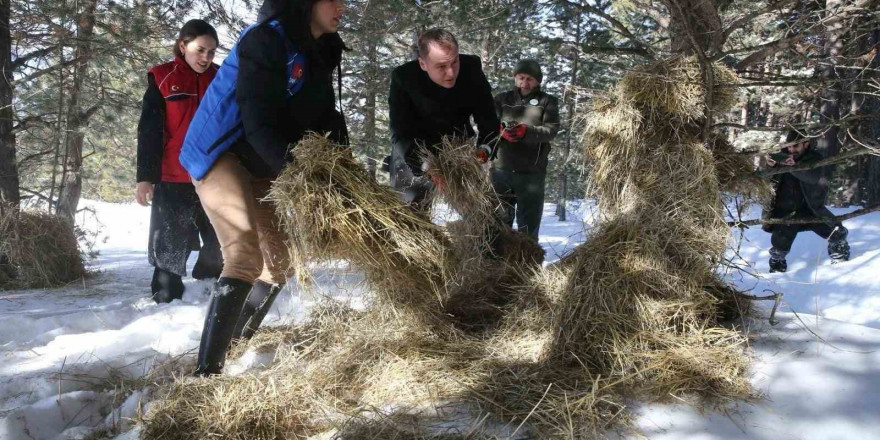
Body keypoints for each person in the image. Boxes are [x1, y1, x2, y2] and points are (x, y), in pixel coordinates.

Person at [181, 0, 348, 376]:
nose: (343, 6)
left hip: (262, 160)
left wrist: (344, 173)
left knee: (279, 262)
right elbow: (257, 122)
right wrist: (300, 176)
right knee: (243, 257)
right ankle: (205, 376)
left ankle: (236, 341)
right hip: (220, 152)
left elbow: (327, 118)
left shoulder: (322, 48)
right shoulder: (264, 41)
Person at [135, 19, 223, 304]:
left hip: (214, 177)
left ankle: (207, 291)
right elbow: (149, 130)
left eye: (211, 52)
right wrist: (145, 177)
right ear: (183, 45)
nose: (206, 58)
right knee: (169, 246)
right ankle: (165, 299)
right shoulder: (161, 78)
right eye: (200, 50)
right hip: (173, 177)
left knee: (219, 241)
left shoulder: (220, 79)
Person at [388, 28, 500, 210]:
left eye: (455, 62)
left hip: (458, 147)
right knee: (410, 212)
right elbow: (400, 132)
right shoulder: (403, 78)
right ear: (423, 64)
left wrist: (485, 149)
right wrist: (427, 166)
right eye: (441, 66)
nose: (451, 73)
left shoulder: (471, 68)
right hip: (415, 151)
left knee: (483, 211)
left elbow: (488, 119)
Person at [762, 130, 851, 273]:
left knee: (836, 232)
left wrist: (793, 167)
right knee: (779, 248)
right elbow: (766, 184)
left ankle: (841, 261)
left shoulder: (815, 159)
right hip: (785, 212)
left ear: (806, 144)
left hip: (811, 209)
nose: (791, 150)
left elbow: (812, 178)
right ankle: (777, 272)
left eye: (796, 146)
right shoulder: (780, 158)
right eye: (789, 147)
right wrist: (771, 167)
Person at [491, 59, 560, 240]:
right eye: (520, 78)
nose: (524, 82)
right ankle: (497, 264)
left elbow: (551, 130)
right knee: (498, 224)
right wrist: (500, 131)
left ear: (538, 81)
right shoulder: (502, 99)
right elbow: (487, 124)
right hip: (501, 171)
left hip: (531, 173)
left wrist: (526, 131)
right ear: (515, 79)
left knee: (528, 229)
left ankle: (526, 266)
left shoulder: (547, 102)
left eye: (530, 79)